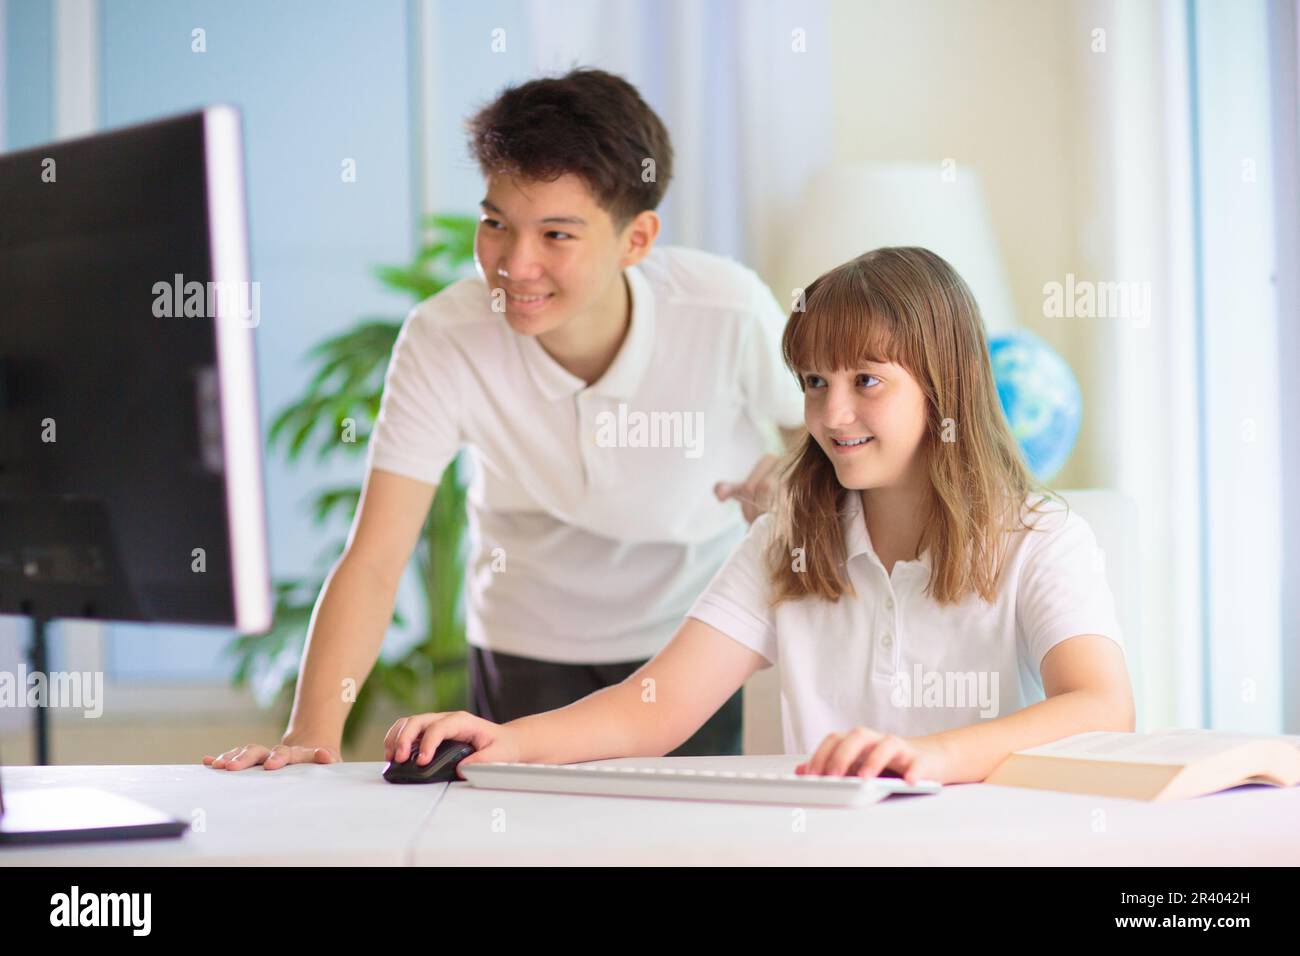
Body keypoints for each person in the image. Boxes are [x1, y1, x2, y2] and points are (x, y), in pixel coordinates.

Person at [204, 68, 802, 772]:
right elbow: (374, 558)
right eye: (496, 224)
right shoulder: (445, 336)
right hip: (527, 634)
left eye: (556, 234)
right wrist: (311, 734)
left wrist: (789, 484)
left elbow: (820, 446)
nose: (515, 264)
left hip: (685, 638)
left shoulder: (727, 311)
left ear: (636, 239)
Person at [382, 247, 1135, 784]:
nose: (831, 413)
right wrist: (501, 740)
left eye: (867, 381)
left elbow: (1102, 705)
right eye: (814, 380)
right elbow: (657, 705)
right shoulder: (791, 539)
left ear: (946, 387)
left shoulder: (1040, 538)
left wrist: (931, 759)